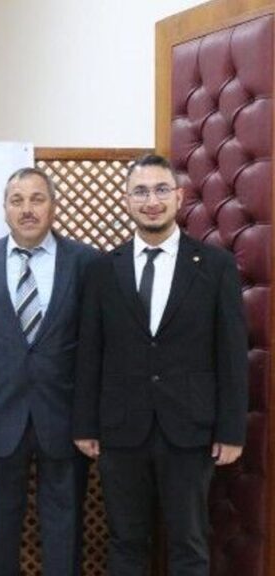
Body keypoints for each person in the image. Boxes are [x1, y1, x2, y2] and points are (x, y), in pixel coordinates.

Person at [73, 154, 248, 575]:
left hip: (190, 429)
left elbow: (231, 354)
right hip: (120, 430)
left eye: (160, 190)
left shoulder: (215, 266)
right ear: (127, 200)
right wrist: (84, 424)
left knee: (189, 542)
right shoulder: (102, 270)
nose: (151, 201)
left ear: (179, 197)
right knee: (126, 542)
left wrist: (231, 430)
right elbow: (89, 353)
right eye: (140, 191)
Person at [0, 167, 97, 576]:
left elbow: (96, 345)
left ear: (53, 205)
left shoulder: (86, 263)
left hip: (64, 417)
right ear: (4, 208)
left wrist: (90, 418)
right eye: (17, 200)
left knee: (65, 528)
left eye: (37, 199)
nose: (27, 209)